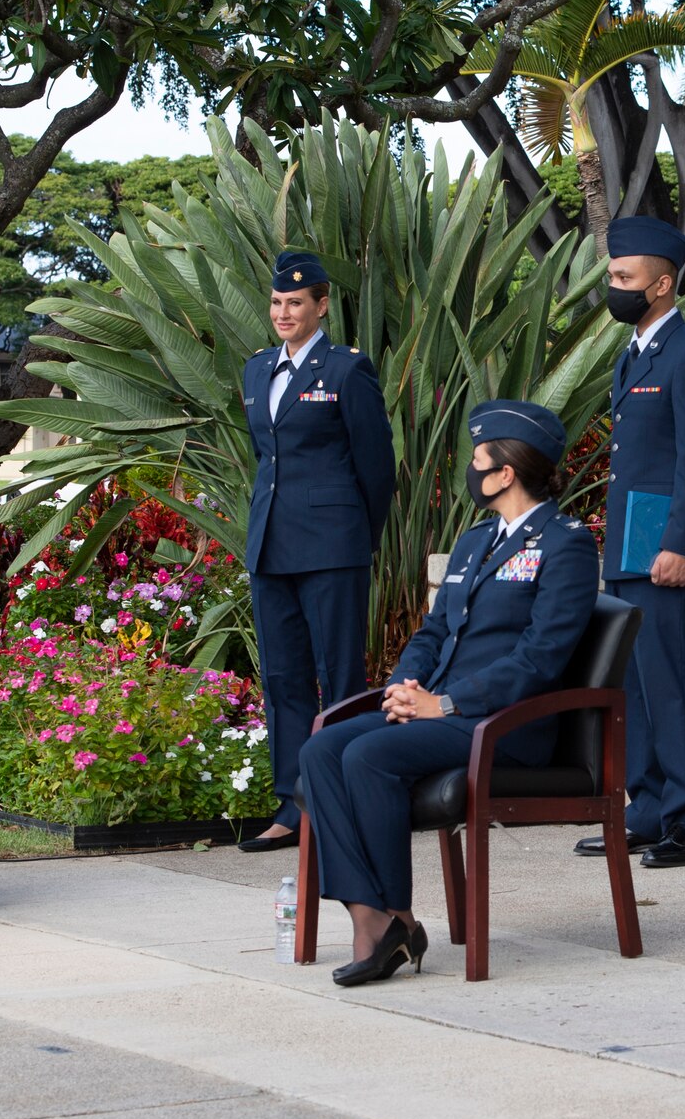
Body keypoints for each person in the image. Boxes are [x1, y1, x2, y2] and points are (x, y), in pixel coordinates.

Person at [301, 401, 598, 985]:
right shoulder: (476, 541)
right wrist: (403, 686)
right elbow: (434, 630)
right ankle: (379, 916)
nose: (471, 468)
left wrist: (448, 702)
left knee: (367, 754)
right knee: (320, 751)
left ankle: (390, 923)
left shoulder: (565, 544)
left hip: (506, 725)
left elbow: (540, 658)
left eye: (479, 459)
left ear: (505, 473)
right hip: (445, 714)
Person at [569, 215, 685, 870]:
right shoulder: (633, 355)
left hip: (668, 551)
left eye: (623, 278)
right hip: (631, 549)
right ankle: (649, 810)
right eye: (612, 275)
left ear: (662, 286)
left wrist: (682, 546)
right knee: (635, 686)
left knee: (673, 685)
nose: (614, 286)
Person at [236, 250, 395, 854]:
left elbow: (376, 468)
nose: (283, 313)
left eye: (295, 303)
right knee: (282, 679)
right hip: (271, 543)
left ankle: (344, 801)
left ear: (321, 305)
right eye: (276, 302)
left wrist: (357, 539)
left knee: (341, 677)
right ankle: (291, 804)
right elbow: (266, 460)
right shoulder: (256, 371)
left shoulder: (347, 370)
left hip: (333, 546)